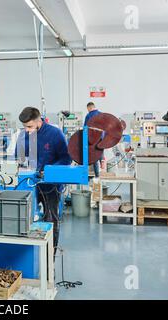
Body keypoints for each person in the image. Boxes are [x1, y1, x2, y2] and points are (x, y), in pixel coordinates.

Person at [15, 107, 72, 252]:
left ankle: (50, 255)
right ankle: (28, 255)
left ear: (38, 121)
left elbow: (66, 158)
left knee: (50, 220)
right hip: (28, 185)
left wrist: (48, 170)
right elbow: (18, 158)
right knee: (24, 218)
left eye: (29, 126)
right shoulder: (23, 135)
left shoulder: (54, 134)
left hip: (50, 186)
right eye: (24, 127)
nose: (27, 130)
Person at [84, 102, 102, 177]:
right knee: (100, 153)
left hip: (92, 139)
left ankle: (97, 175)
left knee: (94, 157)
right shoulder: (101, 114)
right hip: (101, 138)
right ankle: (102, 164)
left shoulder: (89, 115)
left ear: (89, 108)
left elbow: (85, 128)